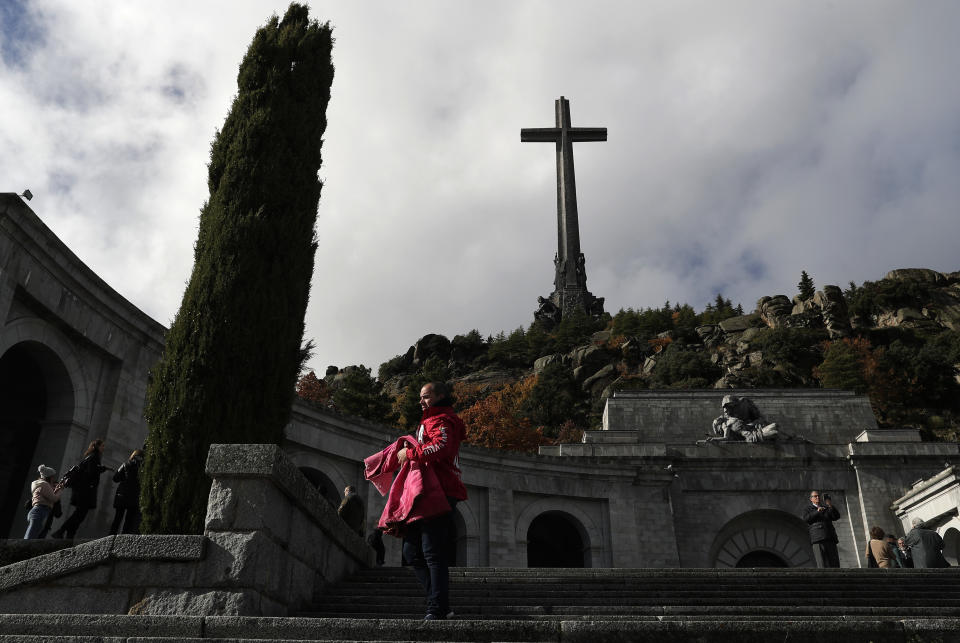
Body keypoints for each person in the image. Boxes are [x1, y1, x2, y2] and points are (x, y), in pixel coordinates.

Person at [398, 381, 467, 621]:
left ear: (440, 396)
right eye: (421, 397)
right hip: (427, 491)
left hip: (440, 491)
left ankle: (437, 608)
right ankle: (440, 604)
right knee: (411, 550)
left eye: (426, 396)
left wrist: (410, 453)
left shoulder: (442, 419)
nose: (421, 401)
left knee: (431, 552)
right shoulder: (431, 420)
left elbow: (441, 447)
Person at [52, 439, 111, 540]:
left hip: (81, 491)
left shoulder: (90, 457)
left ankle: (69, 536)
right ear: (97, 446)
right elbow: (91, 472)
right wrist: (102, 468)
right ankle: (61, 531)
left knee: (79, 514)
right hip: (86, 492)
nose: (103, 448)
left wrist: (101, 468)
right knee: (79, 514)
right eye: (102, 446)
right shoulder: (94, 457)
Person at [24, 465, 64, 539]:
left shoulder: (41, 484)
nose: (53, 479)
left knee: (35, 538)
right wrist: (60, 490)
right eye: (52, 477)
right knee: (30, 538)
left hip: (40, 511)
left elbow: (47, 496)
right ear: (49, 477)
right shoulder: (44, 484)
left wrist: (56, 490)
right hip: (40, 511)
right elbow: (54, 498)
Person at [803, 490, 841, 568]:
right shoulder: (808, 509)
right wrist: (817, 511)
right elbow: (807, 519)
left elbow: (836, 516)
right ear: (811, 499)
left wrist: (830, 505)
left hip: (830, 537)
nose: (817, 497)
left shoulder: (826, 507)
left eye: (818, 496)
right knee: (822, 563)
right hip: (818, 539)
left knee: (834, 563)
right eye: (815, 496)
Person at [110, 449, 144, 535]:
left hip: (122, 495)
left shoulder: (126, 464)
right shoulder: (144, 468)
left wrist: (124, 479)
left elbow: (115, 478)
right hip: (134, 497)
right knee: (128, 521)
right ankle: (124, 539)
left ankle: (111, 537)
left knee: (117, 519)